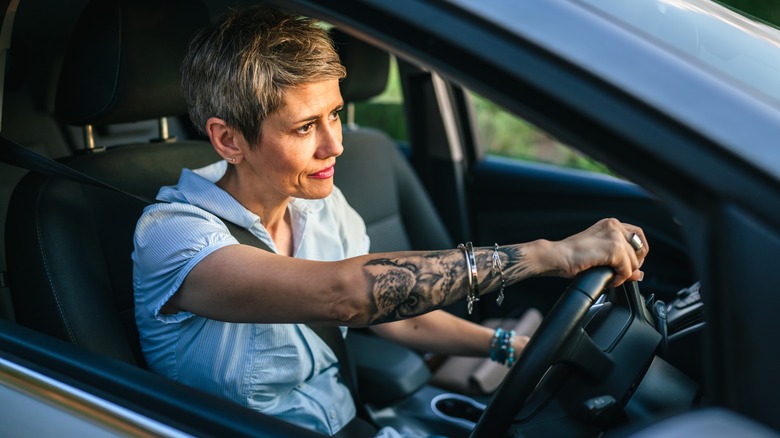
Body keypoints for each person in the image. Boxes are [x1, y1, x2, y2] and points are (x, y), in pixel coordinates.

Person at [132, 5, 648, 437]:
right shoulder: (174, 234)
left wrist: (508, 347)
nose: (334, 144)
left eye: (334, 114)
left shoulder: (318, 202)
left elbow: (395, 309)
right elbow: (348, 296)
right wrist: (547, 255)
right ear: (228, 140)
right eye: (305, 126)